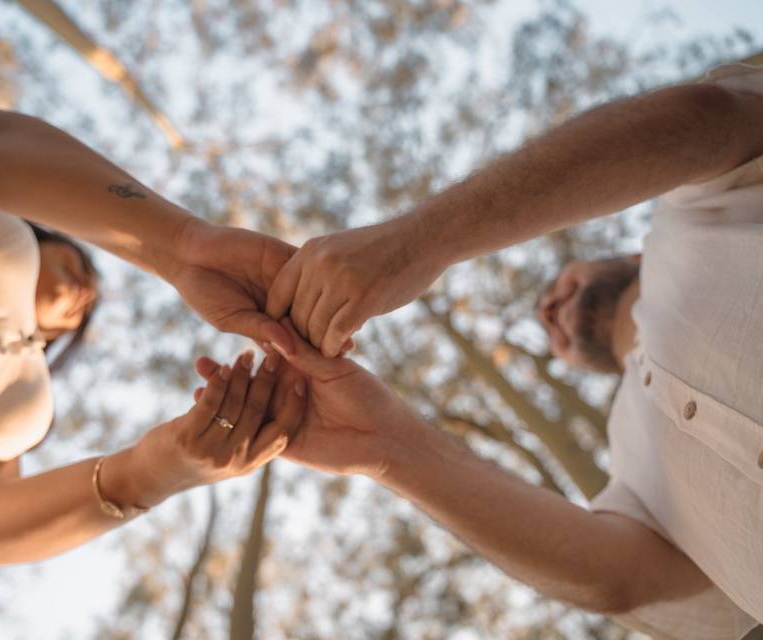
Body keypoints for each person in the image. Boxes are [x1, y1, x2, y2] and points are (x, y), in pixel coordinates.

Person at [261, 63, 763, 639]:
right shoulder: (628, 453)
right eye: (546, 324)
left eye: (554, 284)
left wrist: (419, 241)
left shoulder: (690, 216)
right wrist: (385, 447)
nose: (545, 308)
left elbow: (706, 117)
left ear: (628, 256)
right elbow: (616, 579)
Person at [0, 106, 307, 566]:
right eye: (77, 264)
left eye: (83, 312)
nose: (85, 292)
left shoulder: (25, 408)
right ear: (44, 236)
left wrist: (154, 471)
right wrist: (179, 245)